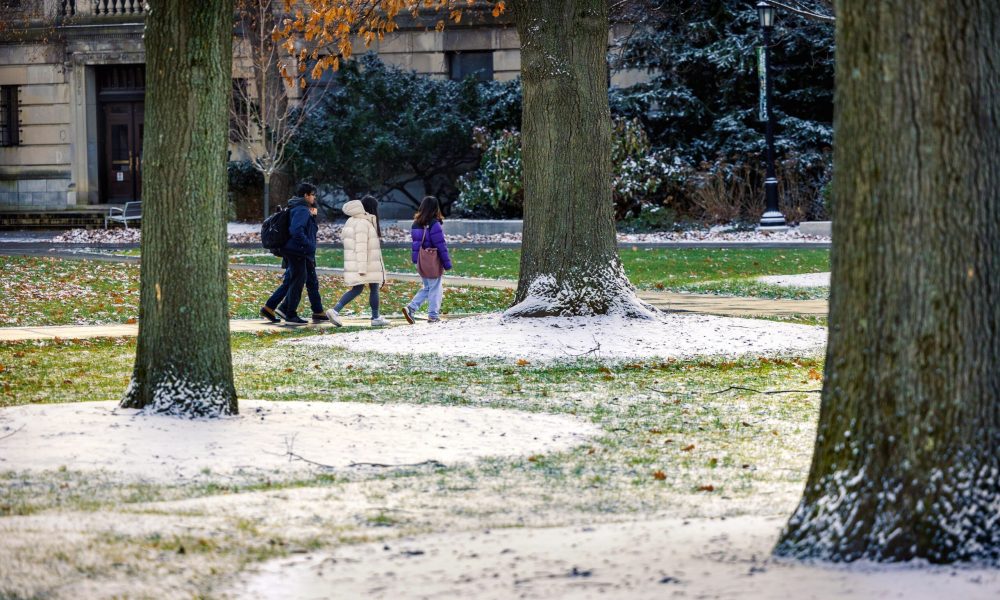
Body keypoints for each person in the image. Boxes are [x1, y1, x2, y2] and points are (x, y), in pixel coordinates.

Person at [259, 182, 332, 326]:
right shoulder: (302, 210)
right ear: (306, 195)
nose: (314, 197)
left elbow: (305, 229)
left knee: (296, 280)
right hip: (298, 251)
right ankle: (289, 313)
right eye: (312, 195)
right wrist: (309, 245)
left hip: (295, 250)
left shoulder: (299, 208)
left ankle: (275, 308)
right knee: (297, 282)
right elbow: (296, 230)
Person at [327, 195, 388, 327]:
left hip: (359, 262)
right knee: (368, 288)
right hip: (365, 263)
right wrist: (362, 268)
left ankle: (375, 316)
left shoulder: (353, 220)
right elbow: (361, 247)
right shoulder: (363, 223)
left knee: (361, 288)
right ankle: (335, 311)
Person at [402, 196, 452, 324]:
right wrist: (447, 263)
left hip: (421, 260)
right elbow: (441, 245)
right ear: (435, 208)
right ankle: (433, 316)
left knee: (428, 287)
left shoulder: (416, 224)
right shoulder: (434, 224)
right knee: (435, 288)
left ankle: (411, 308)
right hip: (432, 261)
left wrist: (415, 260)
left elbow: (416, 244)